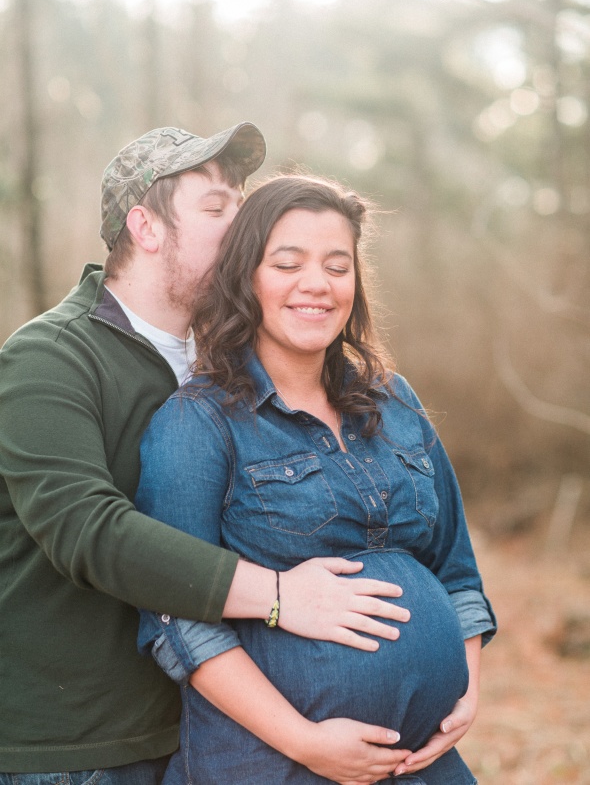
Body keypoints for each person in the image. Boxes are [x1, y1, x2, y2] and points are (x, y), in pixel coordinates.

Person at [0, 126, 416, 784]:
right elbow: (86, 530)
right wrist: (279, 596)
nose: (243, 226)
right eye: (218, 208)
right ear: (146, 226)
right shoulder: (49, 359)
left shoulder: (223, 369)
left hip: (199, 735)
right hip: (74, 753)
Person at [136, 174, 497, 784]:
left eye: (337, 265)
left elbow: (455, 569)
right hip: (271, 763)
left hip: (422, 764)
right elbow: (178, 620)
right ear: (246, 276)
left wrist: (463, 694)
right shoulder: (197, 423)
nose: (317, 284)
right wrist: (306, 743)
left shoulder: (395, 401)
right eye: (287, 263)